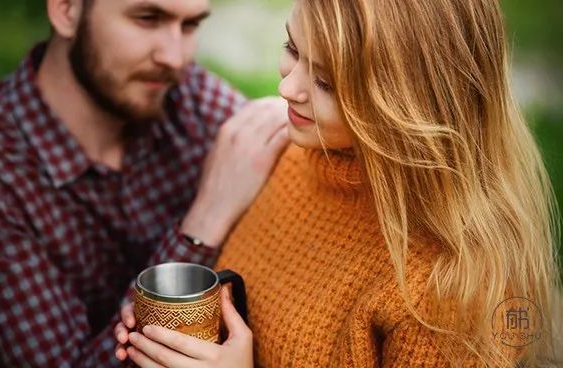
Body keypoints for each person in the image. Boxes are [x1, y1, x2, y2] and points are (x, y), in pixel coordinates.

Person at [115, 0, 562, 366]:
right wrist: (166, 335)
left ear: (409, 102)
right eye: (292, 49)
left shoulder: (448, 286)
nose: (288, 87)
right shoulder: (281, 152)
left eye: (326, 81)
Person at [0, 0, 289, 366]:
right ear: (67, 10)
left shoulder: (183, 94)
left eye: (190, 26)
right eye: (148, 19)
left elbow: (291, 163)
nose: (175, 58)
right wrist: (206, 220)